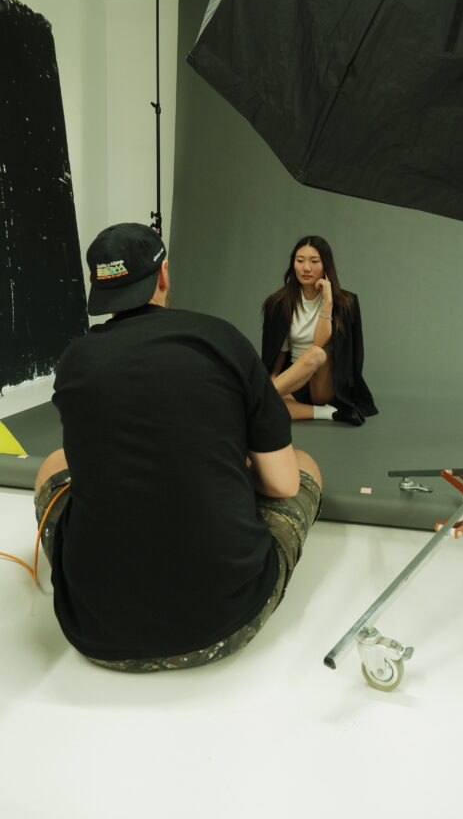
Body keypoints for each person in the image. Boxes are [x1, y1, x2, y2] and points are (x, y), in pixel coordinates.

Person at [34, 222, 322, 672]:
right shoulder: (221, 339)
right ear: (163, 275)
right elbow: (283, 485)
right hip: (224, 625)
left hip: (96, 633)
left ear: (96, 284)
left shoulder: (75, 359)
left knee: (54, 462)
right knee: (302, 465)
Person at [261, 235, 378, 425]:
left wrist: (328, 302)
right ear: (293, 264)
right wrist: (273, 377)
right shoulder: (279, 303)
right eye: (300, 261)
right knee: (269, 408)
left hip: (324, 381)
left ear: (325, 265)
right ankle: (329, 413)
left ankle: (258, 396)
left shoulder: (345, 303)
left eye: (314, 261)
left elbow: (319, 344)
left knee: (315, 352)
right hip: (294, 378)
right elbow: (279, 352)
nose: (306, 268)